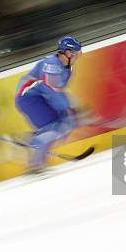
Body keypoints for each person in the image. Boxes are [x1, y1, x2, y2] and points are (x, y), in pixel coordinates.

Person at [15, 36, 82, 172]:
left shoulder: (68, 68)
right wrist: (68, 109)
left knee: (61, 124)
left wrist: (69, 110)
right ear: (67, 53)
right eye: (76, 53)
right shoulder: (51, 65)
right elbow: (52, 91)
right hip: (28, 98)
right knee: (53, 127)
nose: (78, 56)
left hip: (41, 97)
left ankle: (36, 157)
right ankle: (33, 147)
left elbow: (60, 91)